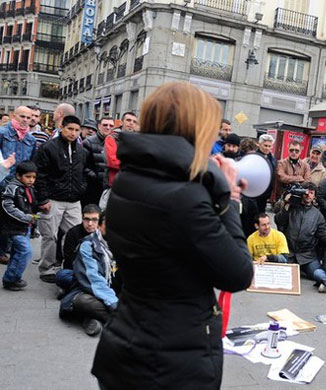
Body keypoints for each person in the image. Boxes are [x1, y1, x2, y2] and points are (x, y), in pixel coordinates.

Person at [91, 82, 254, 389]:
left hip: (127, 341)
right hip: (170, 361)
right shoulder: (185, 197)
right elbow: (238, 274)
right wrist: (230, 200)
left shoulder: (129, 178)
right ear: (196, 129)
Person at [34, 115, 86, 283]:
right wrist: (42, 200)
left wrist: (81, 189)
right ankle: (46, 269)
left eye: (77, 130)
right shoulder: (48, 148)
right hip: (52, 200)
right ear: (62, 128)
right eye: (70, 129)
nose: (73, 133)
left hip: (73, 201)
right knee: (50, 236)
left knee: (77, 234)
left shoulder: (81, 150)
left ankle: (70, 266)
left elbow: (82, 174)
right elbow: (39, 175)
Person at [59, 212, 118, 337]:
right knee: (82, 301)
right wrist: (114, 303)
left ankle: (91, 319)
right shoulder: (88, 245)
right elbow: (93, 281)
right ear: (100, 226)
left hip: (112, 290)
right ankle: (123, 323)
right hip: (89, 290)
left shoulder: (122, 244)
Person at [275, 182, 326, 279]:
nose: (308, 195)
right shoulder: (291, 208)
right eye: (306, 192)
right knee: (279, 273)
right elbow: (278, 221)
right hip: (289, 252)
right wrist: (287, 204)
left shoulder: (318, 215)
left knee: (317, 273)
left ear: (314, 196)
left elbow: (323, 235)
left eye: (311, 193)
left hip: (307, 256)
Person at [1, 161, 38, 291]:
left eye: (33, 177)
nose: (31, 180)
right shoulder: (13, 188)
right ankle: (12, 278)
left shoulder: (29, 189)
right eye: (28, 177)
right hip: (13, 228)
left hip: (24, 227)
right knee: (25, 251)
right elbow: (8, 206)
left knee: (18, 252)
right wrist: (25, 217)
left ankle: (10, 279)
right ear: (18, 176)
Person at [56, 204, 102, 291]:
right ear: (82, 218)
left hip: (98, 271)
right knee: (61, 276)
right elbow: (69, 258)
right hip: (78, 271)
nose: (90, 224)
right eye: (87, 219)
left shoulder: (102, 233)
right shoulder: (73, 233)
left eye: (94, 220)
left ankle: (81, 287)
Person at [103, 113, 137, 190]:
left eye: (134, 122)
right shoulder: (112, 138)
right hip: (114, 184)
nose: (131, 123)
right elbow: (113, 162)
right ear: (121, 122)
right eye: (128, 120)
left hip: (132, 184)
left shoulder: (138, 140)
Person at [83, 118, 112, 206]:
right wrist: (94, 176)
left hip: (107, 189)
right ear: (99, 126)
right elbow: (81, 165)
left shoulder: (114, 143)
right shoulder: (88, 142)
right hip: (91, 188)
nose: (108, 128)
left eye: (111, 126)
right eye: (105, 125)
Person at [255, 134, 277, 213]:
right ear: (259, 145)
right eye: (265, 145)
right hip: (254, 193)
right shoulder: (254, 157)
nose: (267, 148)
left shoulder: (272, 158)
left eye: (269, 146)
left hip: (266, 194)